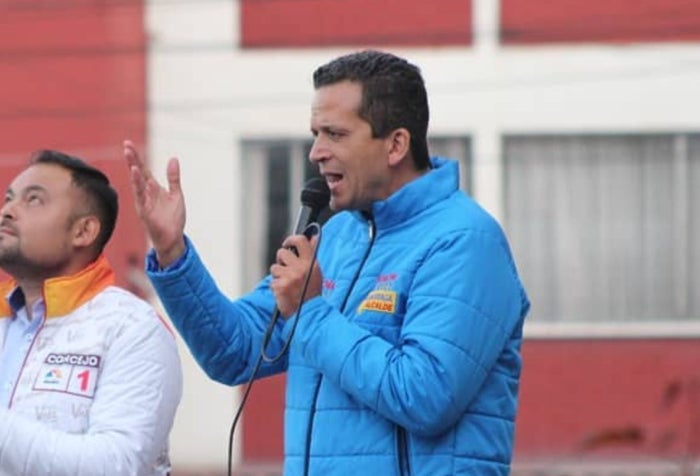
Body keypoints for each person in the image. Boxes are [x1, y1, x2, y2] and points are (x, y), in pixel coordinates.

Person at [124, 49, 530, 475]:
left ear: (396, 144)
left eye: (335, 134)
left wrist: (311, 312)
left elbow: (425, 396)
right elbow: (233, 351)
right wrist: (172, 251)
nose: (316, 152)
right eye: (316, 134)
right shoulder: (336, 238)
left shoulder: (464, 242)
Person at [0, 150, 182, 476]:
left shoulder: (132, 328)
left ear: (83, 231)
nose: (7, 211)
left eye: (34, 200)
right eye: (8, 199)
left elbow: (117, 465)